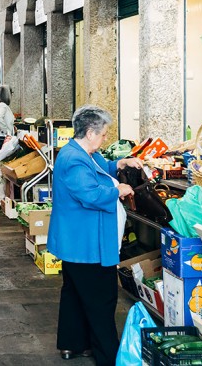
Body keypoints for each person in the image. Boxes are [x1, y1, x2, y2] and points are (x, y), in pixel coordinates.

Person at [47, 106, 141, 365]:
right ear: (90, 132)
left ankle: (73, 343)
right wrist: (118, 191)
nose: (105, 139)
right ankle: (106, 355)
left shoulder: (85, 153)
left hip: (77, 240)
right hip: (85, 242)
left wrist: (121, 163)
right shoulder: (73, 159)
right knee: (101, 298)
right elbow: (90, 194)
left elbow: (103, 168)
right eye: (103, 134)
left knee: (75, 294)